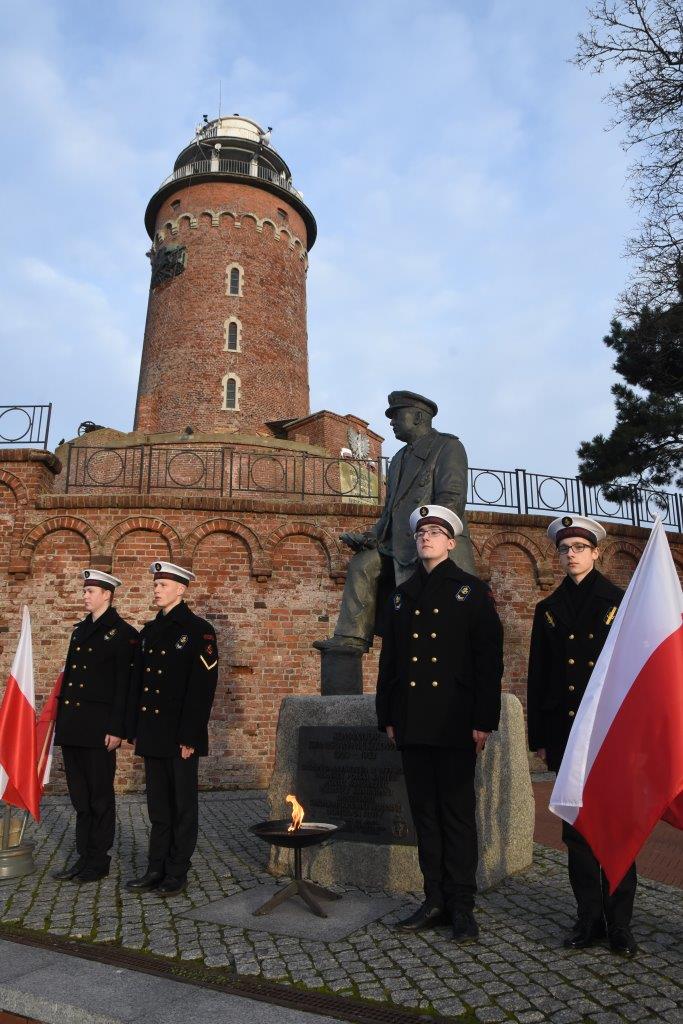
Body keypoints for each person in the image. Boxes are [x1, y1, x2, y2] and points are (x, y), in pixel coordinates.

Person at [376, 504, 503, 942]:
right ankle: (434, 899)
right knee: (425, 816)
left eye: (434, 532)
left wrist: (483, 719)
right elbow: (390, 662)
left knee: (456, 816)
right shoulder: (401, 596)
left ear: (451, 542)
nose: (425, 538)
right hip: (413, 722)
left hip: (455, 722)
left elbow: (489, 661)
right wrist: (387, 716)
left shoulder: (471, 591)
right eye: (421, 533)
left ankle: (462, 906)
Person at [527, 514, 637, 956]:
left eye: (579, 548)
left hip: (609, 733)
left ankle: (620, 923)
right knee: (576, 832)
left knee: (616, 828)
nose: (571, 555)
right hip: (568, 732)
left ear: (596, 552)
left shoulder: (620, 602)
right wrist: (539, 736)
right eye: (564, 549)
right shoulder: (548, 609)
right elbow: (538, 676)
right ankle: (588, 917)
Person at [125, 561, 218, 897]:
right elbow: (138, 684)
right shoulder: (149, 632)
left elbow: (202, 688)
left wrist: (190, 736)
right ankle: (155, 867)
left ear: (181, 589)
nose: (156, 589)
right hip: (153, 732)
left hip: (180, 736)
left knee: (182, 807)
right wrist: (134, 728)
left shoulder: (199, 630)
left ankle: (177, 870)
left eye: (163, 585)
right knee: (158, 807)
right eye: (155, 584)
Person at [53, 569, 138, 883]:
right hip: (74, 726)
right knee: (80, 797)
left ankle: (99, 860)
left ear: (107, 595)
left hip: (100, 729)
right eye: (84, 590)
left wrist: (117, 729)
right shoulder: (79, 631)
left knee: (100, 797)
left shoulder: (124, 634)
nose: (85, 595)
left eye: (90, 591)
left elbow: (124, 687)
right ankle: (84, 856)